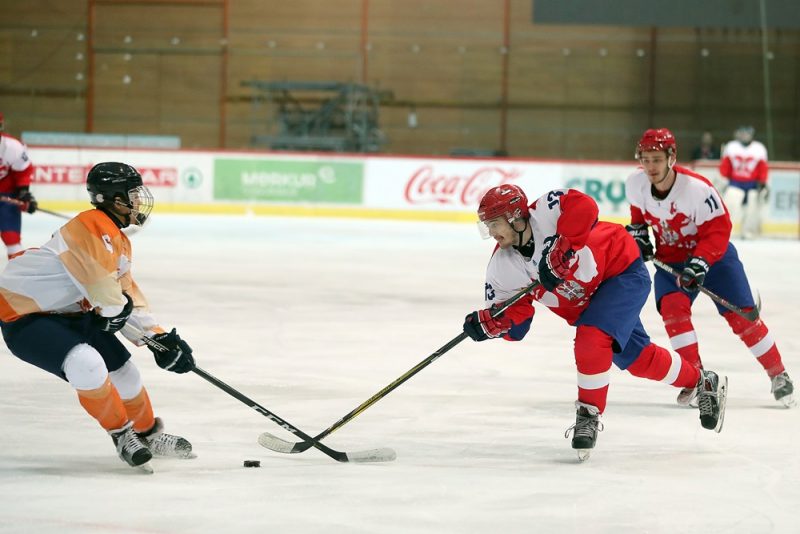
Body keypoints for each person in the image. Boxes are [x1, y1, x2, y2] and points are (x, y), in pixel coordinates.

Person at [462, 184, 727, 461]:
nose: (491, 233)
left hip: (620, 270)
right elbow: (518, 323)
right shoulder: (502, 268)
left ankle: (588, 413)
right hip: (591, 305)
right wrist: (493, 324)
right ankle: (702, 381)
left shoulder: (547, 212)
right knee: (638, 359)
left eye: (494, 224)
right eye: (487, 226)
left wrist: (564, 245)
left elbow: (584, 206)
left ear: (516, 216)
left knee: (591, 339)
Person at [0, 162, 197, 472]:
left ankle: (147, 434)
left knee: (125, 373)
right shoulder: (91, 225)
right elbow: (106, 296)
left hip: (72, 314)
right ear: (114, 199)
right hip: (25, 318)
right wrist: (127, 321)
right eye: (132, 194)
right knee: (86, 363)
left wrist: (159, 338)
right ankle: (122, 435)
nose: (137, 200)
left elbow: (123, 295)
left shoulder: (117, 240)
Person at [625, 128, 794, 408]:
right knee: (672, 312)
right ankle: (697, 380)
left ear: (671, 157)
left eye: (656, 159)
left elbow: (719, 229)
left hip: (715, 259)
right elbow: (638, 216)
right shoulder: (635, 184)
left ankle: (778, 374)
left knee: (742, 319)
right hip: (671, 261)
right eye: (645, 159)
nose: (650, 166)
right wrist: (639, 235)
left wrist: (700, 262)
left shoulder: (697, 189)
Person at [718, 126, 768, 239]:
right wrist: (724, 179)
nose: (745, 136)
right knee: (729, 207)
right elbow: (725, 165)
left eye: (747, 134)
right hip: (735, 182)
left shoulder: (759, 148)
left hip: (752, 184)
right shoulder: (731, 146)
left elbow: (763, 167)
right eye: (743, 133)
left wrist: (763, 182)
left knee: (751, 210)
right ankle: (723, 231)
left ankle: (748, 232)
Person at [0, 111, 38, 258]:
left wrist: (23, 192)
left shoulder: (11, 147)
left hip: (6, 194)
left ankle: (17, 275)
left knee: (11, 238)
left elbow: (23, 171)